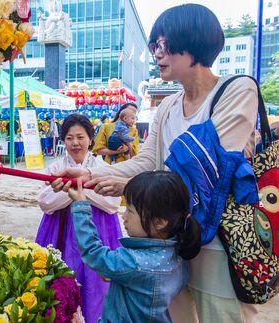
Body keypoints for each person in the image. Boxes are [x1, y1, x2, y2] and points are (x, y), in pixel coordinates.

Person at [51, 4, 259, 323]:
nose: (156, 54)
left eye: (162, 45)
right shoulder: (168, 107)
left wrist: (131, 186)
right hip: (170, 244)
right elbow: (148, 161)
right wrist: (90, 173)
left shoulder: (236, 89)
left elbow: (206, 169)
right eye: (154, 47)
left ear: (192, 41)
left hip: (216, 244)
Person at [61, 171, 201, 322]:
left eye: (130, 210)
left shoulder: (134, 263)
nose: (124, 215)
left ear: (160, 222)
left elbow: (93, 253)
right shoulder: (178, 257)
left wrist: (80, 206)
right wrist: (125, 275)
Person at [36, 114, 123, 323]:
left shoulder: (103, 167)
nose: (75, 143)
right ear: (63, 140)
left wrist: (73, 188)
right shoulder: (55, 168)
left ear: (90, 139)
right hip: (59, 229)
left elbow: (112, 203)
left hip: (99, 230)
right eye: (69, 138)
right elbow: (45, 202)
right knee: (58, 281)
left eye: (80, 137)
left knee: (96, 286)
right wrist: (85, 190)